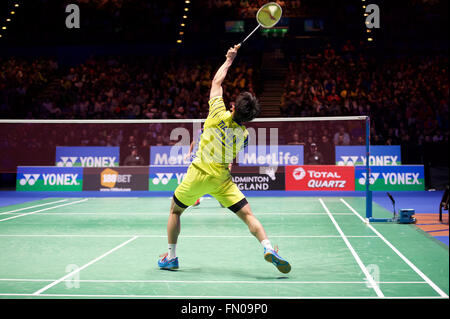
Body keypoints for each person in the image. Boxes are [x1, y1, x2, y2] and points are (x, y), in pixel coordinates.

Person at [158, 44, 291, 274]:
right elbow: (233, 156)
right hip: (222, 180)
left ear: (232, 106)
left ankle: (171, 257)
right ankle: (268, 247)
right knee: (248, 214)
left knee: (175, 211)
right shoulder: (245, 135)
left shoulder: (216, 113)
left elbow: (216, 83)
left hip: (197, 174)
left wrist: (229, 60)